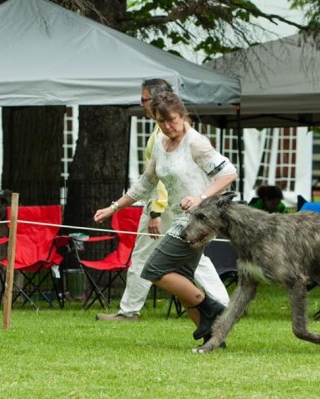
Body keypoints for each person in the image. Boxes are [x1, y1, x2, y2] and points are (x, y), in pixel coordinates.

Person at [94, 91, 237, 343]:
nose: (168, 126)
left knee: (154, 268)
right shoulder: (160, 144)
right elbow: (145, 183)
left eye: (172, 120)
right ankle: (214, 339)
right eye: (161, 122)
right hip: (180, 216)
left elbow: (228, 173)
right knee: (181, 277)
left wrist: (200, 197)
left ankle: (213, 310)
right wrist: (114, 207)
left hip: (201, 219)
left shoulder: (196, 142)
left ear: (182, 116)